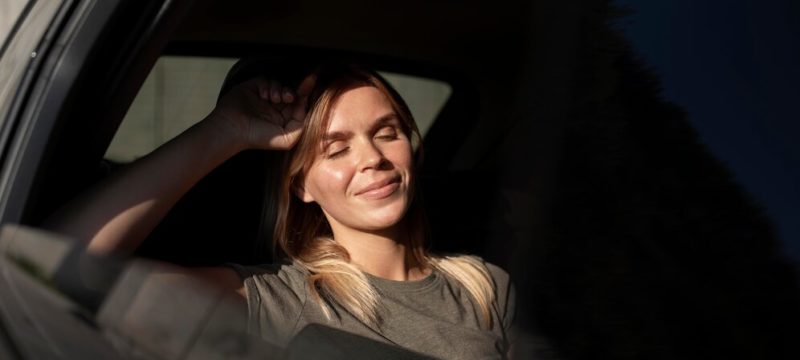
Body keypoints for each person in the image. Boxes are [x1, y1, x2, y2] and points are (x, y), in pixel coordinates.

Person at [44, 59, 515, 359]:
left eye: (387, 132)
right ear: (301, 187)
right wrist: (222, 131)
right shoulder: (278, 300)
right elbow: (52, 273)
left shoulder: (483, 286)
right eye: (335, 149)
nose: (372, 157)